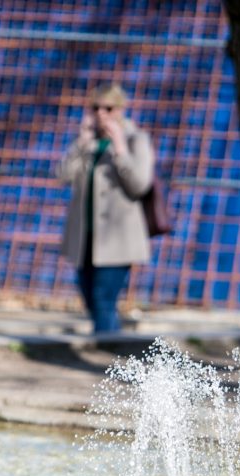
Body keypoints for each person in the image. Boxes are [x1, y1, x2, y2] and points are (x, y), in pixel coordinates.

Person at [58, 84, 154, 334]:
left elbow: (140, 185)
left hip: (117, 239)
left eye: (108, 108)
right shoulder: (87, 143)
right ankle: (111, 341)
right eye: (95, 107)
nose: (101, 113)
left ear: (121, 109)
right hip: (85, 237)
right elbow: (63, 176)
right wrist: (81, 143)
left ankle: (106, 351)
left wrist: (120, 149)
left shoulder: (136, 139)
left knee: (103, 298)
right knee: (90, 297)